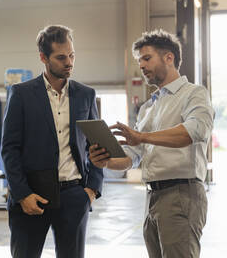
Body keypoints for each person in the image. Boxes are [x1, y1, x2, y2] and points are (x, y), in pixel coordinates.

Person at [89, 29, 214, 258]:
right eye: (139, 61)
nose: (142, 66)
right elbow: (132, 156)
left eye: (147, 58)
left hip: (181, 193)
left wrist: (143, 137)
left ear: (169, 58)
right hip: (152, 197)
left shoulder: (193, 94)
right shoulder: (148, 108)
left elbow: (194, 131)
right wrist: (106, 161)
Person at [1, 25, 103, 258]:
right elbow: (10, 149)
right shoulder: (21, 94)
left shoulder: (86, 94)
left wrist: (91, 189)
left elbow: (96, 146)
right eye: (61, 57)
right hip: (31, 197)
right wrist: (22, 194)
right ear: (43, 58)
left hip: (74, 196)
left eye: (72, 55)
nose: (69, 62)